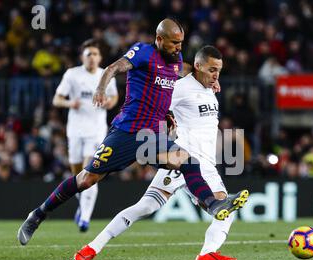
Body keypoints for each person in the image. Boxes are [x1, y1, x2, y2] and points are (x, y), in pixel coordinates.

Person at [17, 18, 248, 246]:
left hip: (152, 139)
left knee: (188, 162)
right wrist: (100, 88)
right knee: (87, 180)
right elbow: (113, 68)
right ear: (159, 39)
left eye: (181, 43)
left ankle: (213, 203)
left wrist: (206, 80)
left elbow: (185, 69)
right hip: (127, 132)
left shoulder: (176, 59)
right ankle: (37, 214)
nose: (179, 48)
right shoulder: (143, 52)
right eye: (174, 43)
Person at [74, 46, 239, 260]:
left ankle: (90, 248)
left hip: (197, 163)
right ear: (198, 67)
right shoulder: (180, 88)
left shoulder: (210, 89)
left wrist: (209, 81)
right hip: (187, 161)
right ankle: (207, 252)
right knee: (222, 208)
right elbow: (157, 106)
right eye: (211, 70)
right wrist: (159, 135)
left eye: (218, 70)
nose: (216, 75)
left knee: (146, 207)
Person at [52, 39, 118, 232]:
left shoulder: (105, 75)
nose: (92, 58)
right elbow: (57, 99)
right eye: (88, 54)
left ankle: (85, 219)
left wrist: (109, 103)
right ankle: (82, 208)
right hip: (75, 130)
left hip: (96, 131)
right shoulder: (72, 75)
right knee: (76, 175)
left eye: (95, 54)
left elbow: (114, 96)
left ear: (100, 57)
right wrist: (69, 104)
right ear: (82, 57)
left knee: (90, 170)